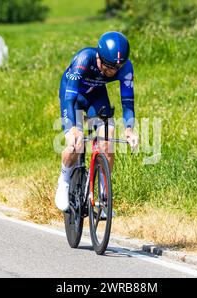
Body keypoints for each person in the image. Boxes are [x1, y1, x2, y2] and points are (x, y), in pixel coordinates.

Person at [55, 31, 139, 212]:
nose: (112, 72)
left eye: (117, 68)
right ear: (99, 56)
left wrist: (130, 129)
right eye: (108, 67)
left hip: (96, 95)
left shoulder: (124, 67)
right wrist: (71, 129)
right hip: (74, 96)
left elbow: (128, 101)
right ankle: (64, 179)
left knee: (108, 138)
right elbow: (69, 98)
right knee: (76, 145)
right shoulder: (84, 59)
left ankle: (104, 194)